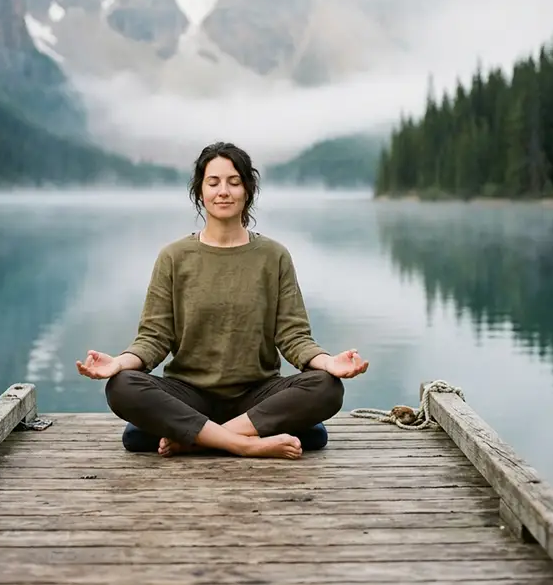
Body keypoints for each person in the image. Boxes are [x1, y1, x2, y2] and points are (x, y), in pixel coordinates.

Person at [76, 141, 369, 460]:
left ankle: (197, 438)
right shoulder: (174, 257)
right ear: (200, 192)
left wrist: (329, 363)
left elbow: (293, 336)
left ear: (248, 190)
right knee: (122, 387)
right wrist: (118, 363)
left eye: (234, 181)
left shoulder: (274, 256)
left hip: (257, 394)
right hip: (188, 394)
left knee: (327, 388)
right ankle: (244, 442)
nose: (223, 191)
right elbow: (154, 339)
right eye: (213, 182)